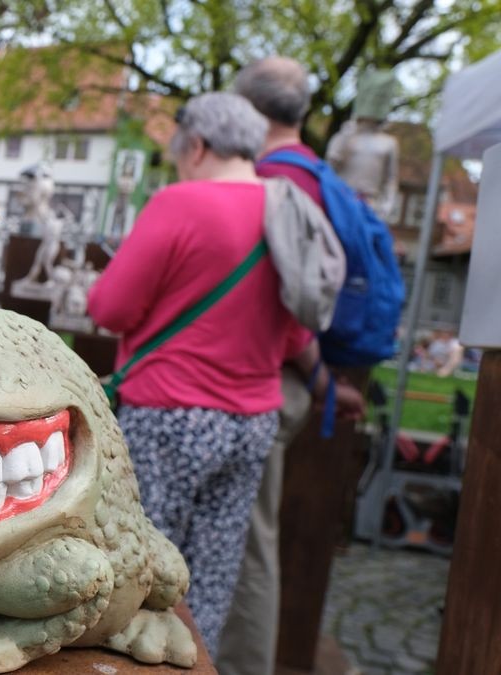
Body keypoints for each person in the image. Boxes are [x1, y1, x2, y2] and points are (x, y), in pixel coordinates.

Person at [87, 92, 337, 653]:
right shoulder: (288, 210)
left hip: (172, 416)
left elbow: (111, 309)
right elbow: (296, 330)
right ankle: (196, 662)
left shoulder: (183, 203)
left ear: (196, 145)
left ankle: (132, 662)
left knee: (145, 566)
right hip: (253, 422)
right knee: (215, 570)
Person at [219, 56, 366, 675]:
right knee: (248, 539)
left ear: (250, 112)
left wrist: (320, 376)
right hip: (289, 381)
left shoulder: (279, 183)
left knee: (250, 547)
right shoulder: (314, 174)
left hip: (273, 382)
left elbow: (286, 307)